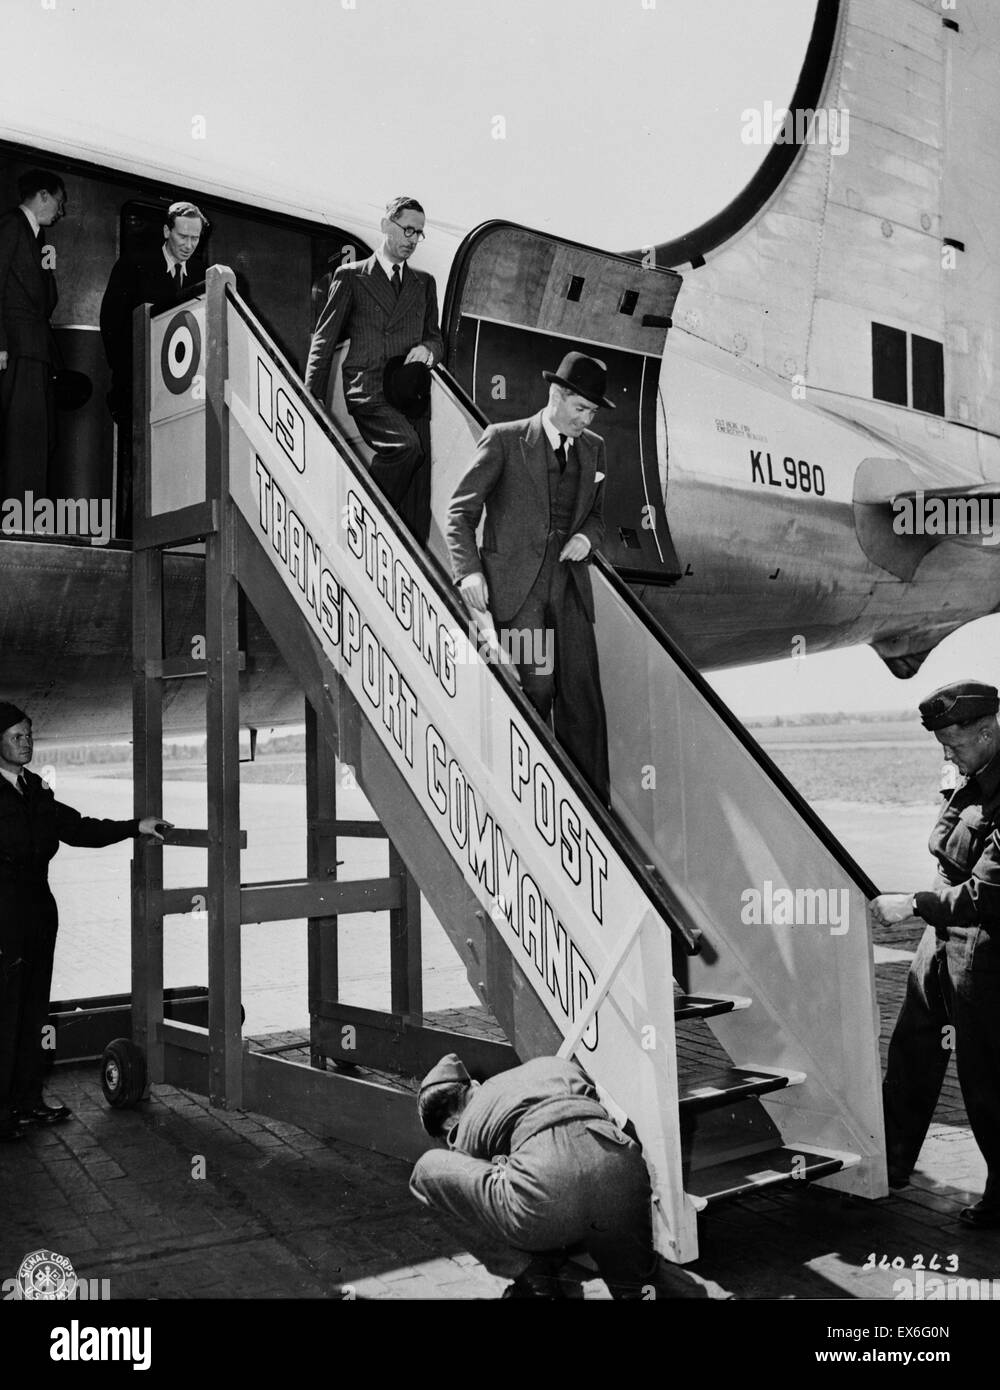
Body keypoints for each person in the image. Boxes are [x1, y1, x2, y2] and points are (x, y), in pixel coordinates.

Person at [410, 1052, 730, 1299]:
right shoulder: (550, 1066)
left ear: (450, 1124)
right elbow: (619, 1123)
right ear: (474, 1085)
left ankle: (535, 1277)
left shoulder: (466, 1126)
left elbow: (476, 1207)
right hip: (620, 1166)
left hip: (550, 1189)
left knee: (427, 1174)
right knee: (638, 1277)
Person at [0, 702, 171, 1142]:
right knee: (4, 1013)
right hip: (2, 915)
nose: (26, 743)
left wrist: (137, 826)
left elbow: (79, 829)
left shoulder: (35, 790)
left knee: (33, 1009)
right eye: (17, 736)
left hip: (38, 911)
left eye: (29, 734)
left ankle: (27, 1101)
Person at [446, 351, 612, 804]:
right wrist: (469, 574)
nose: (586, 419)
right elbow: (459, 513)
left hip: (570, 589)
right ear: (556, 395)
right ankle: (525, 799)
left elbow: (597, 518)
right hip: (521, 594)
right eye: (581, 409)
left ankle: (593, 809)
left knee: (581, 697)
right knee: (536, 686)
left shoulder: (593, 448)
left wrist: (587, 539)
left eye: (592, 412)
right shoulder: (503, 439)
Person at [873, 679, 1000, 1226]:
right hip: (942, 938)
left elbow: (986, 895)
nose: (948, 753)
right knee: (912, 1050)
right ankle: (887, 1166)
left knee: (987, 1076)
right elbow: (945, 847)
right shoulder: (970, 778)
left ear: (988, 730)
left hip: (984, 947)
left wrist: (913, 904)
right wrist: (955, 783)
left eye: (956, 743)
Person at [304, 195, 443, 543]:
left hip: (409, 392)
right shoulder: (351, 277)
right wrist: (310, 398)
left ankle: (388, 543)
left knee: (416, 489)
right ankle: (355, 521)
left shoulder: (424, 283)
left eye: (419, 233)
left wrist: (428, 350)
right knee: (405, 448)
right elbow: (324, 338)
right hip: (369, 388)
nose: (412, 239)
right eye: (407, 229)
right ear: (386, 225)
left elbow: (437, 339)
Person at [99, 201, 208, 533]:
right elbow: (111, 324)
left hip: (180, 398)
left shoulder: (202, 275)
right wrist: (134, 378)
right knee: (139, 472)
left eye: (195, 238)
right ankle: (133, 537)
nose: (189, 245)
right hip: (138, 391)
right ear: (166, 231)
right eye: (183, 236)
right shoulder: (134, 266)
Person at [0, 169, 67, 498]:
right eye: (58, 201)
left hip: (35, 348)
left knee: (37, 437)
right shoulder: (11, 225)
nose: (60, 210)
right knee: (22, 437)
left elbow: (48, 298)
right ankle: (17, 519)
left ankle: (25, 515)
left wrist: (47, 262)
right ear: (42, 195)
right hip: (17, 347)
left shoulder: (40, 239)